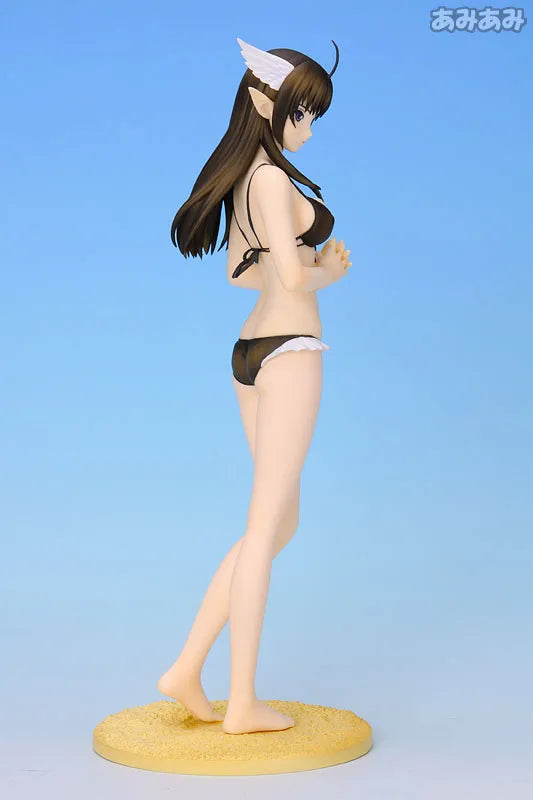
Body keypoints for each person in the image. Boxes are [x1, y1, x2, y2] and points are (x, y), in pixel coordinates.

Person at [158, 37, 351, 735]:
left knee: (276, 524)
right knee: (267, 524)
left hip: (249, 351)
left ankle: (186, 668)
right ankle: (241, 702)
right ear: (265, 104)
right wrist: (328, 268)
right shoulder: (271, 181)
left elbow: (240, 274)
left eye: (313, 117)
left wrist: (297, 263)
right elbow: (292, 280)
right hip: (289, 351)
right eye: (301, 113)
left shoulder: (251, 179)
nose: (308, 129)